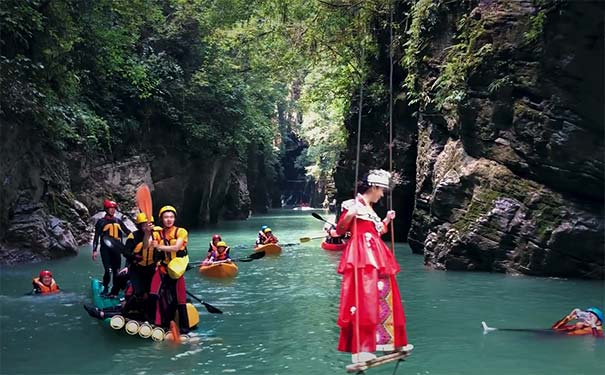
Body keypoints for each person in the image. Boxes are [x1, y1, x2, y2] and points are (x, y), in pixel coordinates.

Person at [334, 169, 408, 363]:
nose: (382, 195)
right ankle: (361, 348)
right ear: (373, 187)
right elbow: (340, 229)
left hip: (376, 254)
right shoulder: (352, 204)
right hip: (360, 255)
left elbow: (377, 231)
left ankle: (387, 342)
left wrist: (387, 221)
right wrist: (350, 214)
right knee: (363, 298)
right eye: (381, 190)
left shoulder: (371, 209)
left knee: (384, 294)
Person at [149, 205, 190, 334]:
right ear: (161, 219)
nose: (169, 219)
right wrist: (147, 232)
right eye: (166, 217)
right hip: (163, 268)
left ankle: (185, 329)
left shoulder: (181, 231)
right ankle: (155, 323)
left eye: (171, 217)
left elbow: (176, 248)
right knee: (154, 294)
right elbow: (147, 244)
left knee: (180, 299)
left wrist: (159, 246)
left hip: (176, 269)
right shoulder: (157, 233)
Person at [92, 199, 131, 297]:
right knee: (108, 271)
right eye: (110, 208)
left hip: (116, 250)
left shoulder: (118, 221)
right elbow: (96, 237)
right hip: (105, 250)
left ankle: (114, 290)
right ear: (106, 209)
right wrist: (94, 250)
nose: (113, 210)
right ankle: (105, 287)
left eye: (114, 208)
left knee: (116, 272)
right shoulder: (101, 222)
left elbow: (127, 232)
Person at [123, 213, 157, 320]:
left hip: (151, 269)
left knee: (150, 293)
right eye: (143, 225)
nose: (146, 227)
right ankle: (127, 311)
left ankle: (148, 313)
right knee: (139, 292)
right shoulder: (133, 236)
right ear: (139, 226)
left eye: (148, 225)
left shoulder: (156, 235)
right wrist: (134, 256)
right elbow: (126, 252)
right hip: (136, 269)